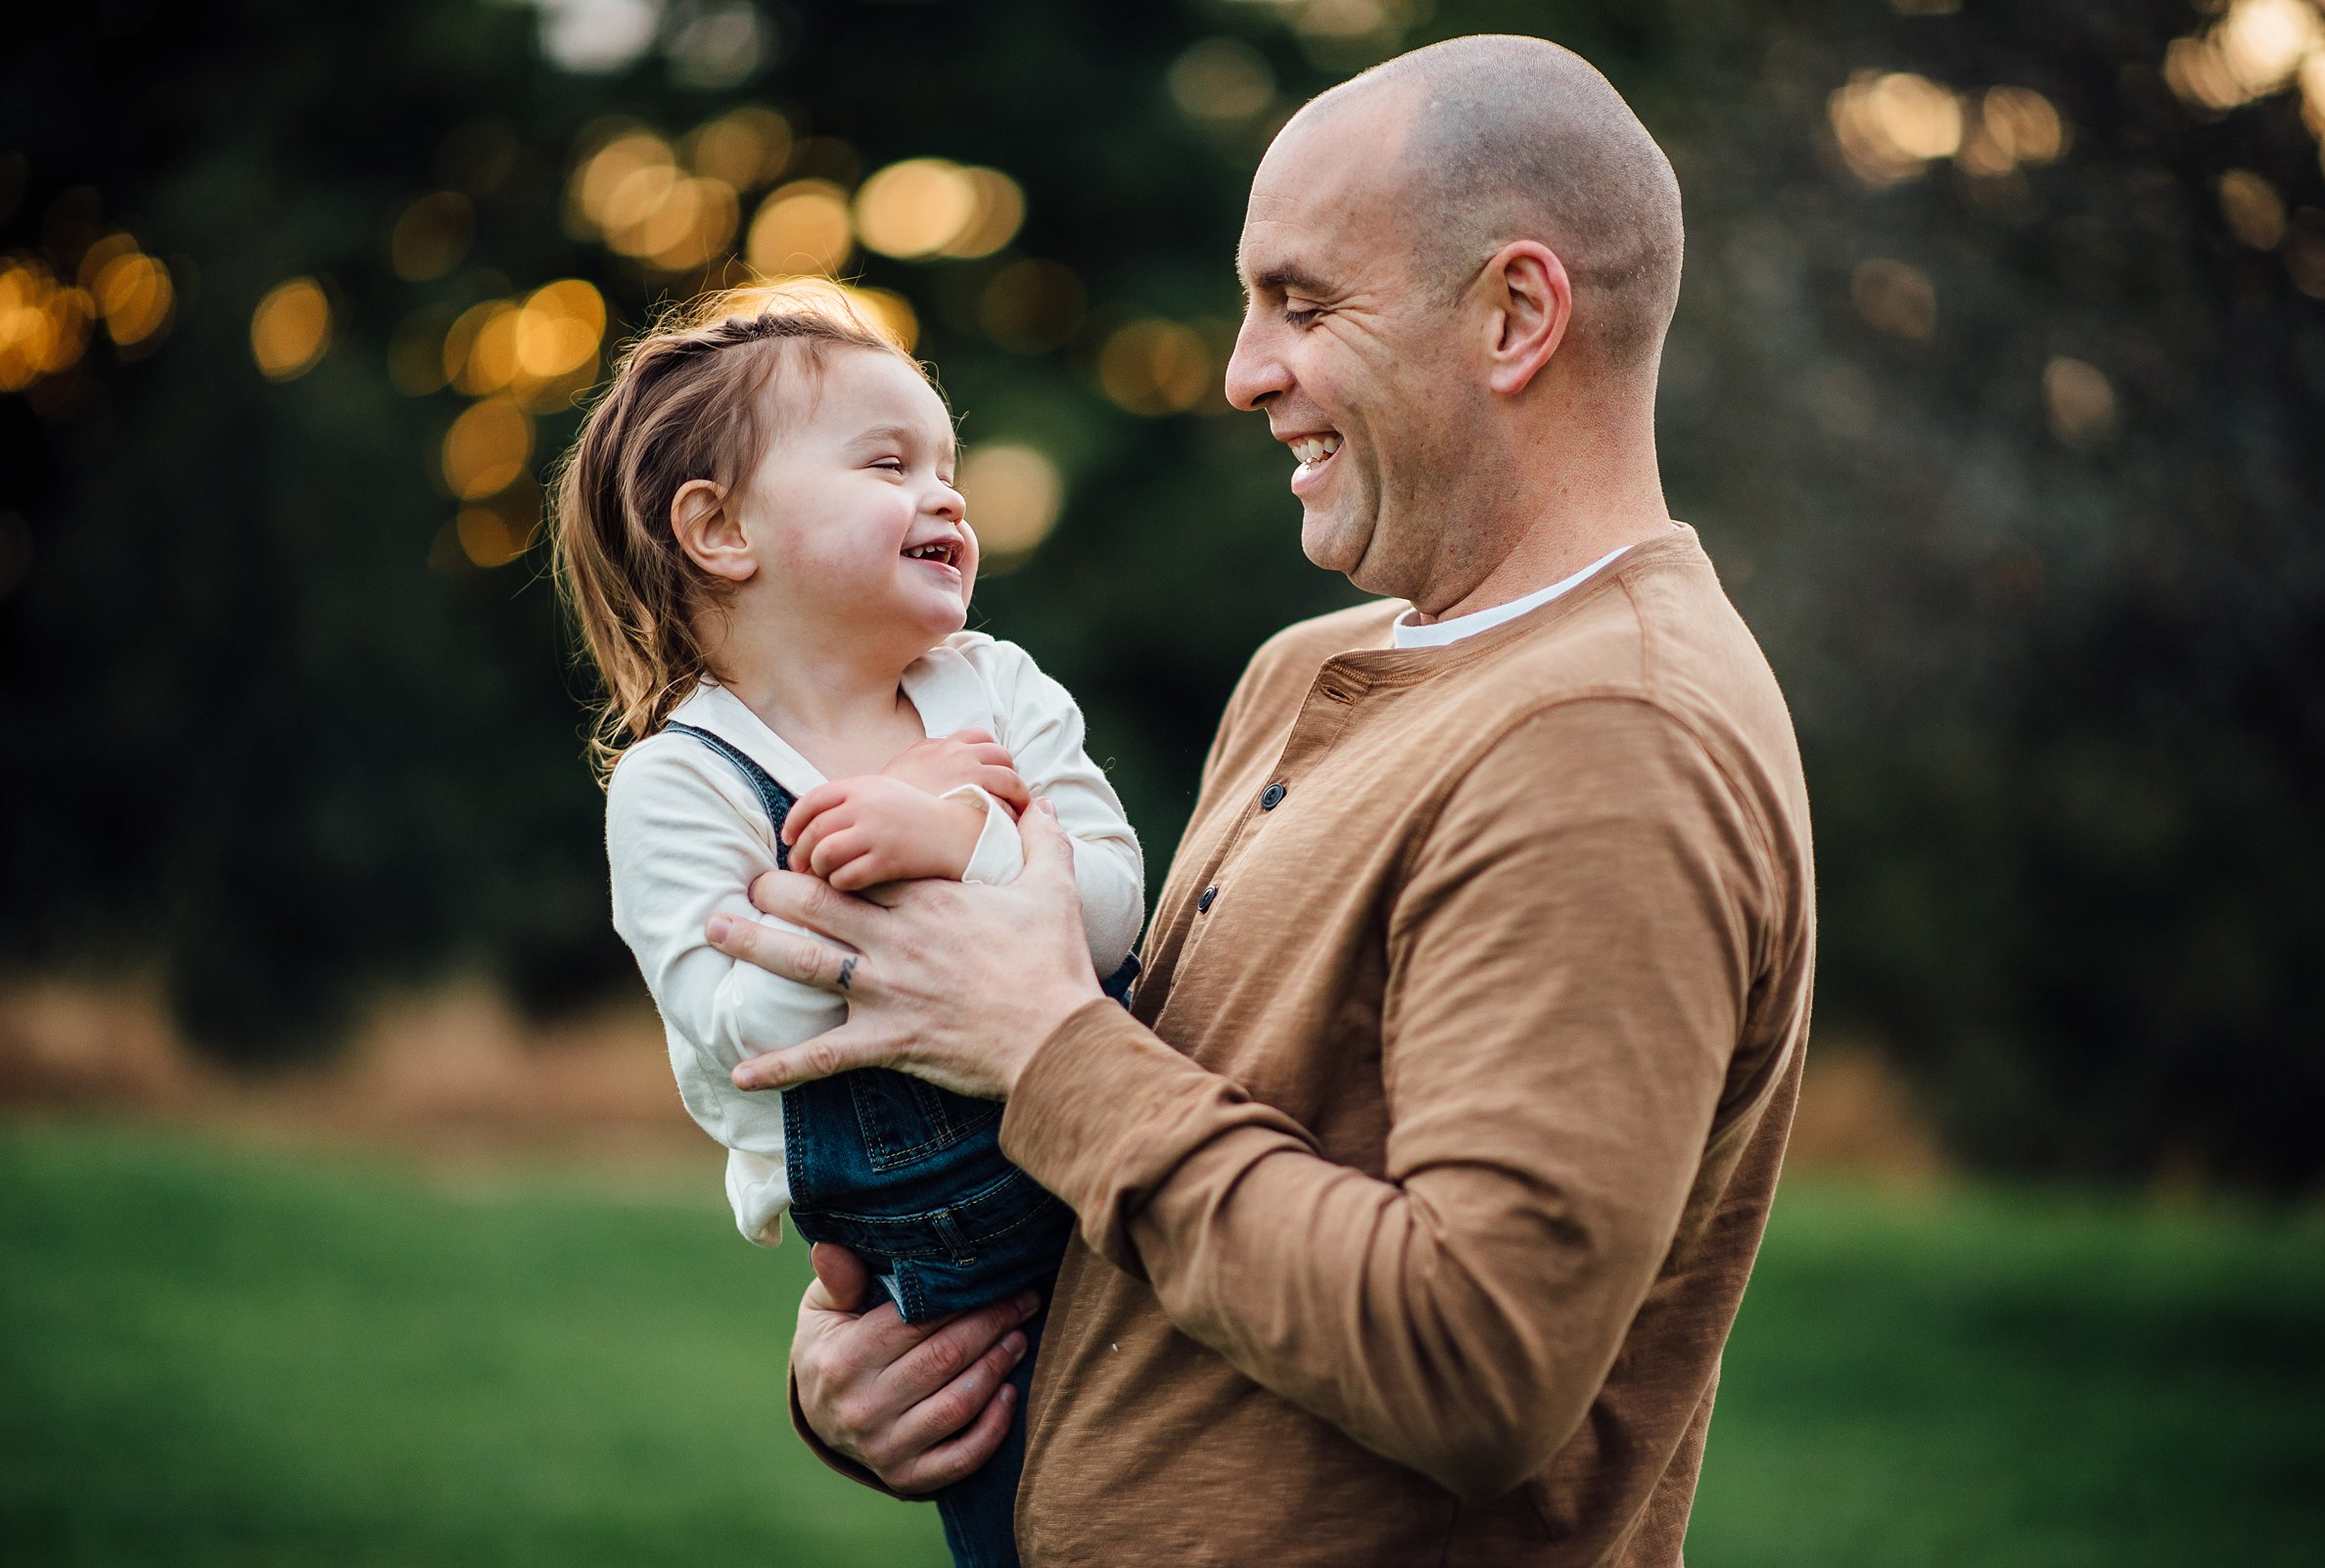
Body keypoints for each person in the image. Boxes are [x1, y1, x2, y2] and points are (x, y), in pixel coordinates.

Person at [706, 35, 1816, 1568]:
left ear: (1515, 315)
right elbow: (1152, 1185)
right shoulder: (1312, 669)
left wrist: (1044, 1042)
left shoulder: (1610, 736)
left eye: (1302, 303)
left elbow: (1476, 1361)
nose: (1241, 372)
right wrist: (884, 1364)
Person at [548, 286, 1146, 1568]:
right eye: (890, 463)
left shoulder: (999, 687)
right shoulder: (685, 782)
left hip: (1136, 1173)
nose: (949, 495)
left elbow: (1107, 910)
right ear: (718, 527)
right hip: (952, 1291)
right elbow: (735, 1048)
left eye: (950, 464)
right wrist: (941, 870)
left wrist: (955, 837)